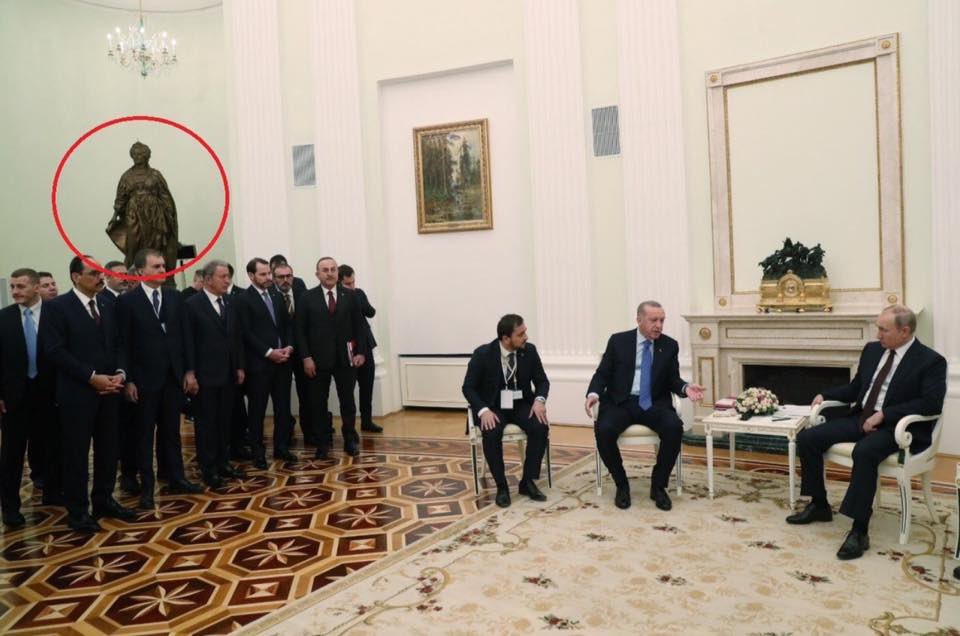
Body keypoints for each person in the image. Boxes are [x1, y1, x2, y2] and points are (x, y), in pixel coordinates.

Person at [787, 305, 946, 560]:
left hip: (895, 428)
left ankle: (859, 531)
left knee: (864, 452)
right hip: (861, 418)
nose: (878, 334)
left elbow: (931, 404)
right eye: (877, 328)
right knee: (808, 438)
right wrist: (826, 395)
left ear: (905, 331)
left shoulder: (930, 361)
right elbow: (857, 387)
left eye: (884, 329)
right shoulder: (873, 350)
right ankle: (819, 505)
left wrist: (885, 414)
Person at [41, 255, 135, 532]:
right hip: (77, 394)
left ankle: (104, 499)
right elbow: (55, 351)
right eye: (93, 273)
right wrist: (91, 377)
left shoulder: (108, 303)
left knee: (109, 449)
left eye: (101, 273)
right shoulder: (57, 308)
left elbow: (119, 343)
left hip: (111, 389)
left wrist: (120, 372)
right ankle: (78, 510)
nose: (100, 277)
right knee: (76, 454)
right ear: (75, 277)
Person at [585, 301, 704, 511]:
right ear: (639, 319)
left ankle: (658, 486)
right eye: (653, 320)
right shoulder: (618, 341)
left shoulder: (669, 345)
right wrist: (593, 394)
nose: (659, 325)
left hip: (654, 403)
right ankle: (622, 484)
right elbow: (602, 373)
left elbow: (673, 379)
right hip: (621, 402)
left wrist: (685, 388)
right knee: (604, 430)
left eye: (662, 320)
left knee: (674, 428)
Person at [118, 249, 203, 508]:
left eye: (163, 265)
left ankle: (177, 477)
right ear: (140, 271)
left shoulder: (174, 297)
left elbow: (186, 337)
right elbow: (123, 344)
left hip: (172, 378)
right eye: (156, 266)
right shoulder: (127, 302)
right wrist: (128, 379)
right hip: (143, 380)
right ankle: (147, 486)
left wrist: (189, 371)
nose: (162, 270)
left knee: (171, 432)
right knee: (144, 435)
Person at [462, 314, 550, 508]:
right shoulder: (483, 354)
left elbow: (542, 381)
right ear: (506, 338)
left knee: (540, 426)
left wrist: (539, 400)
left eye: (525, 332)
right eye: (521, 334)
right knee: (491, 431)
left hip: (520, 404)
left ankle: (527, 481)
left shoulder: (529, 351)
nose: (526, 337)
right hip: (493, 406)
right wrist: (483, 410)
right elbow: (468, 387)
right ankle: (502, 487)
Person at [0, 269, 56, 527]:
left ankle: (53, 493)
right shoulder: (4, 318)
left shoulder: (56, 314)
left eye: (20, 286)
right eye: (12, 287)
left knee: (51, 446)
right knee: (11, 454)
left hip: (49, 394)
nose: (15, 292)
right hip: (14, 398)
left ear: (35, 287)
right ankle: (10, 507)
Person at [295, 257, 367, 459]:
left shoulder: (350, 296)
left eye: (333, 269)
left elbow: (360, 325)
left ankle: (350, 439)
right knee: (318, 403)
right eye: (325, 270)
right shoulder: (306, 297)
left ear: (337, 272)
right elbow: (300, 331)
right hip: (317, 362)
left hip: (346, 360)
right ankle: (322, 443)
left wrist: (361, 352)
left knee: (348, 402)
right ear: (317, 274)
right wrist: (306, 357)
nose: (330, 273)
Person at [184, 260, 246, 488]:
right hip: (204, 376)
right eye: (223, 277)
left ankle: (223, 462)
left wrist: (239, 366)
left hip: (228, 374)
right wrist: (190, 373)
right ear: (208, 279)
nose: (228, 281)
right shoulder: (192, 305)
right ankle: (208, 468)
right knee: (206, 424)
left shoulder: (230, 302)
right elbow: (188, 342)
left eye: (229, 276)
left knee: (224, 422)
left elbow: (236, 338)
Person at [236, 258, 295, 468]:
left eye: (269, 273)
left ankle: (281, 447)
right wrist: (269, 352)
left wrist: (289, 347)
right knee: (257, 411)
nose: (268, 277)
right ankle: (258, 453)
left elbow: (287, 325)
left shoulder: (276, 295)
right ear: (251, 276)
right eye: (263, 274)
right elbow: (246, 333)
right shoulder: (243, 299)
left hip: (283, 363)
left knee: (283, 408)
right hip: (259, 365)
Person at [107, 141, 179, 271]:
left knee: (155, 246)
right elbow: (120, 198)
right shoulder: (126, 176)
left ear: (146, 156)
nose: (137, 156)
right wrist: (114, 217)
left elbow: (165, 196)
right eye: (134, 154)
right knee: (133, 245)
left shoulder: (155, 175)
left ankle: (157, 271)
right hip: (133, 214)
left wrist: (170, 217)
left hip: (154, 215)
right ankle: (134, 274)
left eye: (140, 154)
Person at [99, 261, 138, 495]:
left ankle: (133, 470)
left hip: (132, 372)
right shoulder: (102, 301)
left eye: (126, 274)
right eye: (119, 274)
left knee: (134, 428)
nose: (124, 278)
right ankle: (124, 476)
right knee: (117, 432)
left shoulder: (131, 299)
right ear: (106, 277)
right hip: (109, 377)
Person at [273, 261, 317, 447]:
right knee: (282, 399)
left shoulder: (301, 289)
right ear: (274, 279)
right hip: (280, 354)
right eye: (280, 277)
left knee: (307, 395)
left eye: (288, 276)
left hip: (303, 352)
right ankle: (285, 437)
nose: (285, 280)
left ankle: (310, 433)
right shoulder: (270, 295)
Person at [339, 264, 382, 433]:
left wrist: (357, 299)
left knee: (367, 385)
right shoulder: (337, 298)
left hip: (365, 345)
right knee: (348, 388)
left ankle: (367, 421)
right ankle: (349, 426)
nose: (352, 286)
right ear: (339, 283)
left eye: (353, 282)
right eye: (347, 284)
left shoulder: (358, 293)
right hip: (347, 347)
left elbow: (371, 312)